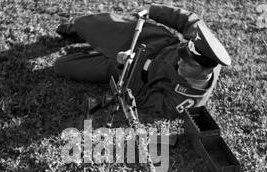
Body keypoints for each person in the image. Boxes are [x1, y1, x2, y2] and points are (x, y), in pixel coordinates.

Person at [54, 4, 231, 118]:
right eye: (183, 56)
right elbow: (187, 20)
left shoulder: (185, 101)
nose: (181, 63)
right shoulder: (204, 46)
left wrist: (124, 65)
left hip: (127, 69)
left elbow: (144, 100)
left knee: (62, 66)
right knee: (88, 23)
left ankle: (94, 49)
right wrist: (152, 10)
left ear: (205, 72)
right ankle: (76, 30)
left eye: (189, 64)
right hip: (147, 39)